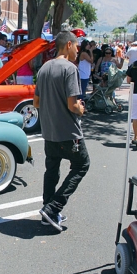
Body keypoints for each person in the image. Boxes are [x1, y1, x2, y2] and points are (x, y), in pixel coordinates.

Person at [33, 31, 89, 231]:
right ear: (68, 45)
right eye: (77, 46)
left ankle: (48, 210)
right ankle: (53, 207)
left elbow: (36, 102)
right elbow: (73, 105)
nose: (78, 50)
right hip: (69, 132)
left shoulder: (44, 68)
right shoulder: (70, 69)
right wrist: (80, 109)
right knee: (82, 165)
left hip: (49, 131)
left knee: (52, 169)